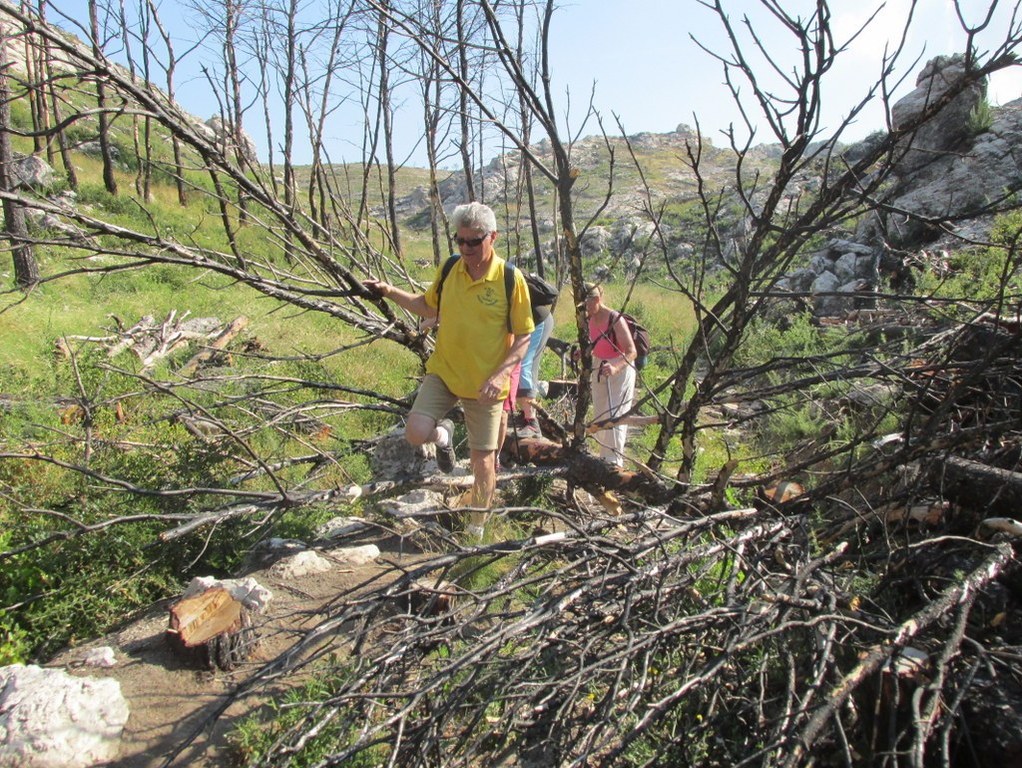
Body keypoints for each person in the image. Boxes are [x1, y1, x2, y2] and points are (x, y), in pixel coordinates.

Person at [365, 202, 534, 532]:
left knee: (482, 461)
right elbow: (427, 305)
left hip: (486, 385)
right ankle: (443, 436)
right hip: (445, 372)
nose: (467, 248)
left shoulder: (510, 280)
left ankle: (476, 528)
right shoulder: (450, 268)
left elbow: (524, 335)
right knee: (414, 434)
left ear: (493, 237)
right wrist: (389, 291)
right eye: (461, 241)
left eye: (475, 241)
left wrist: (499, 375)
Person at [583, 282, 637, 467]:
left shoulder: (615, 319)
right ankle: (603, 458)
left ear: (597, 300)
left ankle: (614, 462)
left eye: (587, 303)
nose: (584, 308)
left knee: (616, 413)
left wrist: (615, 367)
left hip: (620, 367)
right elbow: (595, 343)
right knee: (600, 413)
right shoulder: (588, 317)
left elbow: (631, 351)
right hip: (599, 365)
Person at [516, 307, 555, 437]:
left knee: (524, 365)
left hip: (538, 320)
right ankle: (524, 414)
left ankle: (532, 422)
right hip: (527, 321)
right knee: (518, 366)